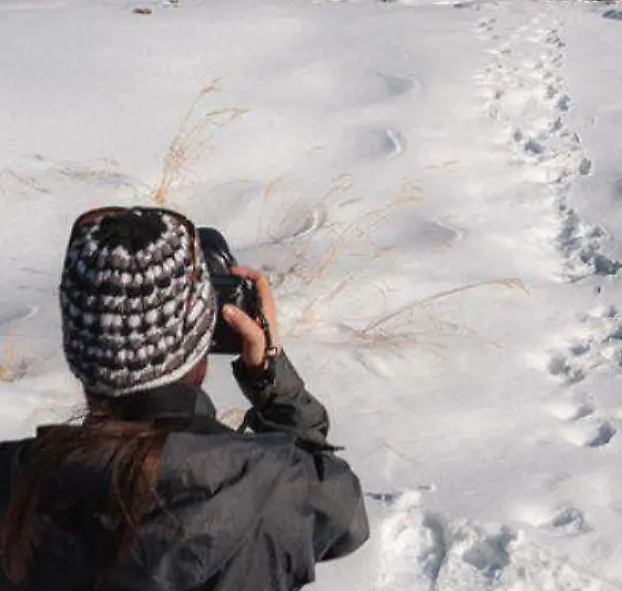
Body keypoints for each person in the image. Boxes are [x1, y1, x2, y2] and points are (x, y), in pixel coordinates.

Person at [0, 206, 369, 590]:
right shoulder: (274, 487)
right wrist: (270, 375)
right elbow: (345, 515)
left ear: (77, 347)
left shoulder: (15, 489)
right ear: (204, 332)